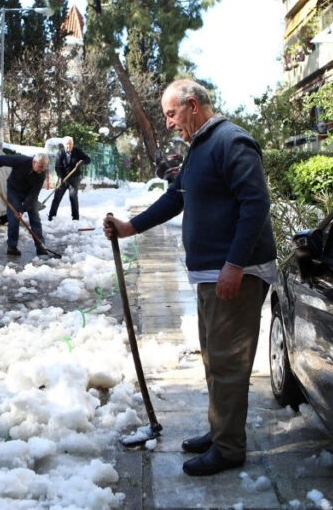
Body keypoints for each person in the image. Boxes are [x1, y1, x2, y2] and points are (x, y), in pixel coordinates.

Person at [103, 79, 277, 477]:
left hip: (236, 274)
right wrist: (132, 227)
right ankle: (221, 432)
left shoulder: (232, 142)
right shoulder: (200, 147)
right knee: (216, 360)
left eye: (170, 114)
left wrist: (234, 264)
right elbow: (177, 196)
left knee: (228, 364)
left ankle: (229, 448)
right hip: (212, 274)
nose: (167, 123)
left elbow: (256, 205)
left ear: (193, 106)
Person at [0, 152, 52, 256]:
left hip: (29, 194)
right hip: (14, 190)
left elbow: (33, 195)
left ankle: (41, 247)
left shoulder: (41, 174)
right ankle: (12, 247)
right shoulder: (21, 161)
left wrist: (22, 209)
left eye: (44, 167)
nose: (41, 169)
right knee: (14, 219)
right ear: (34, 162)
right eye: (40, 166)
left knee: (35, 218)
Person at [48, 136, 91, 221]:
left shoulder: (77, 152)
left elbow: (88, 159)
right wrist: (60, 177)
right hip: (62, 178)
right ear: (64, 145)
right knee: (57, 197)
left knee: (73, 197)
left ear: (73, 144)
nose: (69, 146)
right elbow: (58, 166)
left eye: (70, 144)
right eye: (67, 144)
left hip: (74, 178)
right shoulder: (60, 153)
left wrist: (82, 162)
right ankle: (51, 216)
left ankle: (75, 218)